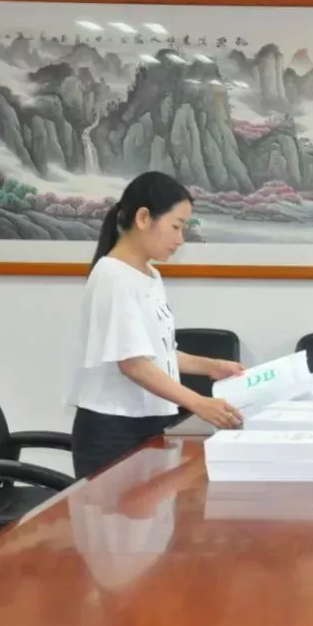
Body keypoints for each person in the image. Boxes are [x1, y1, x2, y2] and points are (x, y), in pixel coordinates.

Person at [66, 171, 245, 479]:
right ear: (144, 218)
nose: (180, 239)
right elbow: (133, 364)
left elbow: (158, 354)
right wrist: (199, 403)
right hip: (114, 429)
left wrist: (211, 366)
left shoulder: (149, 275)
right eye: (176, 226)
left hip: (147, 421)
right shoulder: (113, 276)